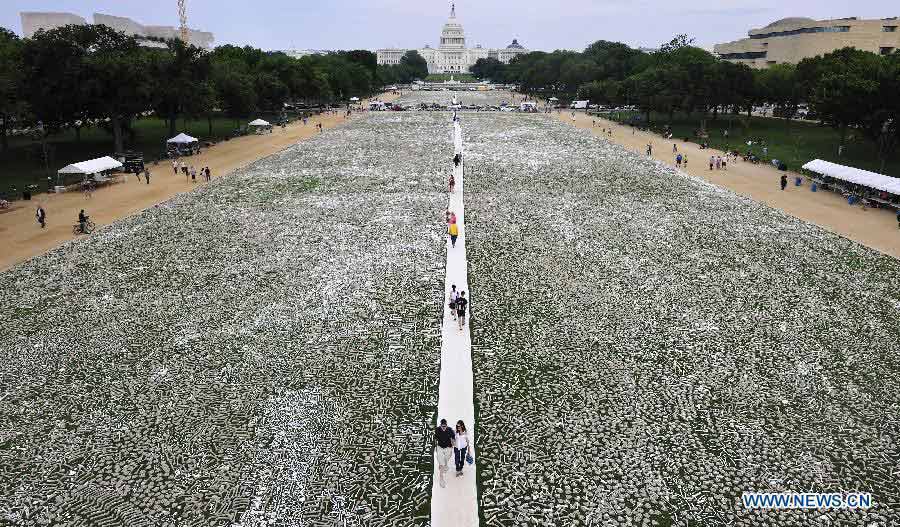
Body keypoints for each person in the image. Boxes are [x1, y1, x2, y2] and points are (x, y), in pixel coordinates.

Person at [434, 418, 456, 488]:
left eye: (445, 426)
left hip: (448, 447)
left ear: (446, 426)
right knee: (441, 463)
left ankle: (445, 464)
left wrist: (453, 443)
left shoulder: (450, 430)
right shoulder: (437, 430)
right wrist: (435, 447)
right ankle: (441, 478)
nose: (443, 428)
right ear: (440, 425)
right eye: (442, 426)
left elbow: (453, 437)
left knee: (446, 459)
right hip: (440, 447)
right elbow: (435, 438)